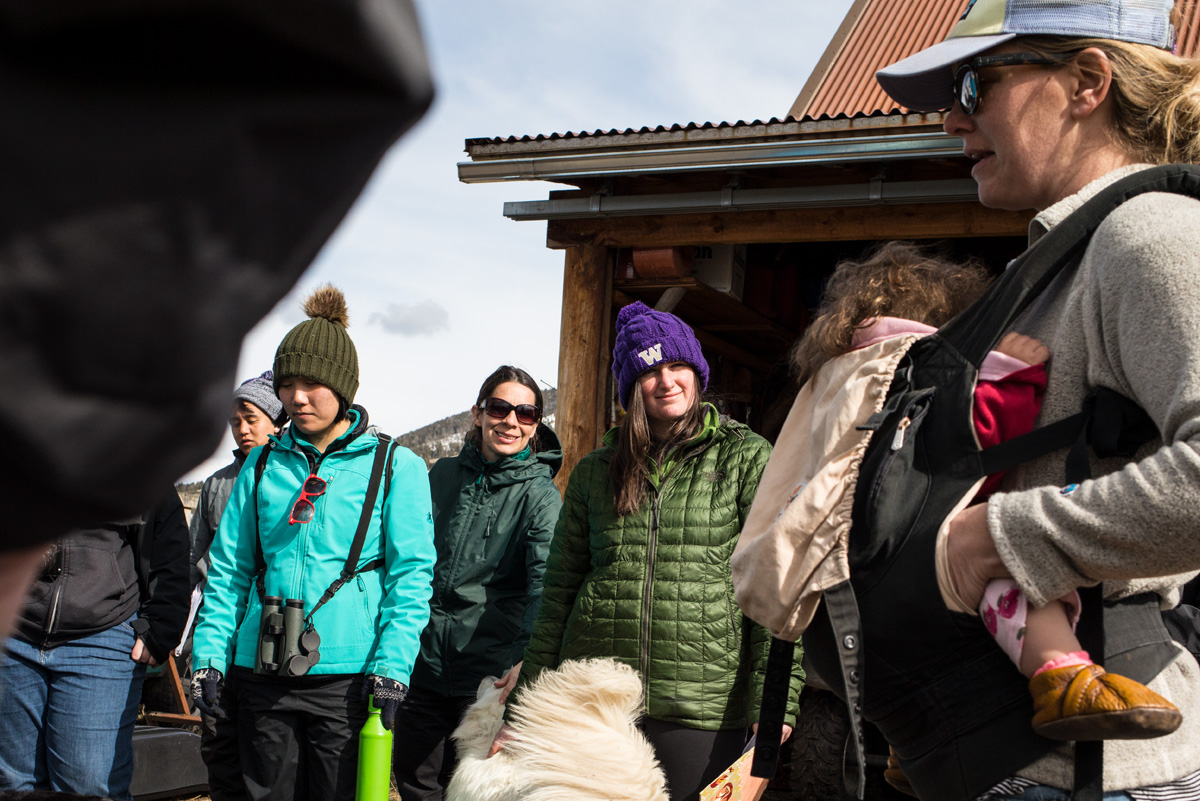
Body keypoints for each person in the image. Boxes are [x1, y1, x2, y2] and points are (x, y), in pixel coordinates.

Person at [876, 0, 1200, 795]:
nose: (954, 120)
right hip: (1027, 756)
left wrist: (996, 536)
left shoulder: (1148, 234)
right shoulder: (1071, 255)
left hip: (1095, 771)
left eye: (975, 84)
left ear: (1088, 81)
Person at [791, 241, 1179, 743]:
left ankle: (902, 753)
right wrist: (1017, 382)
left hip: (859, 557)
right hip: (923, 534)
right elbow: (968, 441)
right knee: (1016, 570)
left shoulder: (845, 374)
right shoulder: (921, 367)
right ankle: (1064, 679)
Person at [506, 301, 804, 801]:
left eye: (677, 366)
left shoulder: (746, 457)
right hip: (596, 706)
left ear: (696, 373)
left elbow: (778, 586)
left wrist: (774, 702)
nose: (666, 381)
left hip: (703, 707)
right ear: (630, 389)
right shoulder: (595, 473)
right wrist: (525, 705)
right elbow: (557, 594)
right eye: (649, 371)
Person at [190, 285, 437, 801]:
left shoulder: (396, 466)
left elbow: (410, 577)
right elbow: (230, 569)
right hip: (261, 672)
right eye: (287, 385)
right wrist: (209, 656)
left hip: (348, 681)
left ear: (343, 387)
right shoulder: (259, 466)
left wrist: (392, 669)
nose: (296, 398)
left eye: (312, 384)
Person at [392, 365, 563, 800]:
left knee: (476, 793)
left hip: (489, 678)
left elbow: (544, 585)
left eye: (525, 414)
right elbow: (403, 559)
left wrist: (526, 659)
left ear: (535, 426)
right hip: (422, 666)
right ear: (477, 413)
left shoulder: (541, 496)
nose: (510, 421)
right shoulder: (442, 476)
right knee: (416, 785)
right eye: (500, 408)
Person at [0, 487, 190, 801]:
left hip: (102, 636)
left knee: (90, 787)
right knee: (12, 786)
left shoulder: (130, 446)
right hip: (11, 630)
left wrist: (162, 627)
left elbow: (167, 533)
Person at [188, 370, 286, 801]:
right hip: (218, 634)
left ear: (277, 420)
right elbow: (194, 563)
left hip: (272, 640)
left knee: (267, 757)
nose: (243, 429)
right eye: (235, 422)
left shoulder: (292, 480)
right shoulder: (217, 484)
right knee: (220, 748)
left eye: (252, 418)